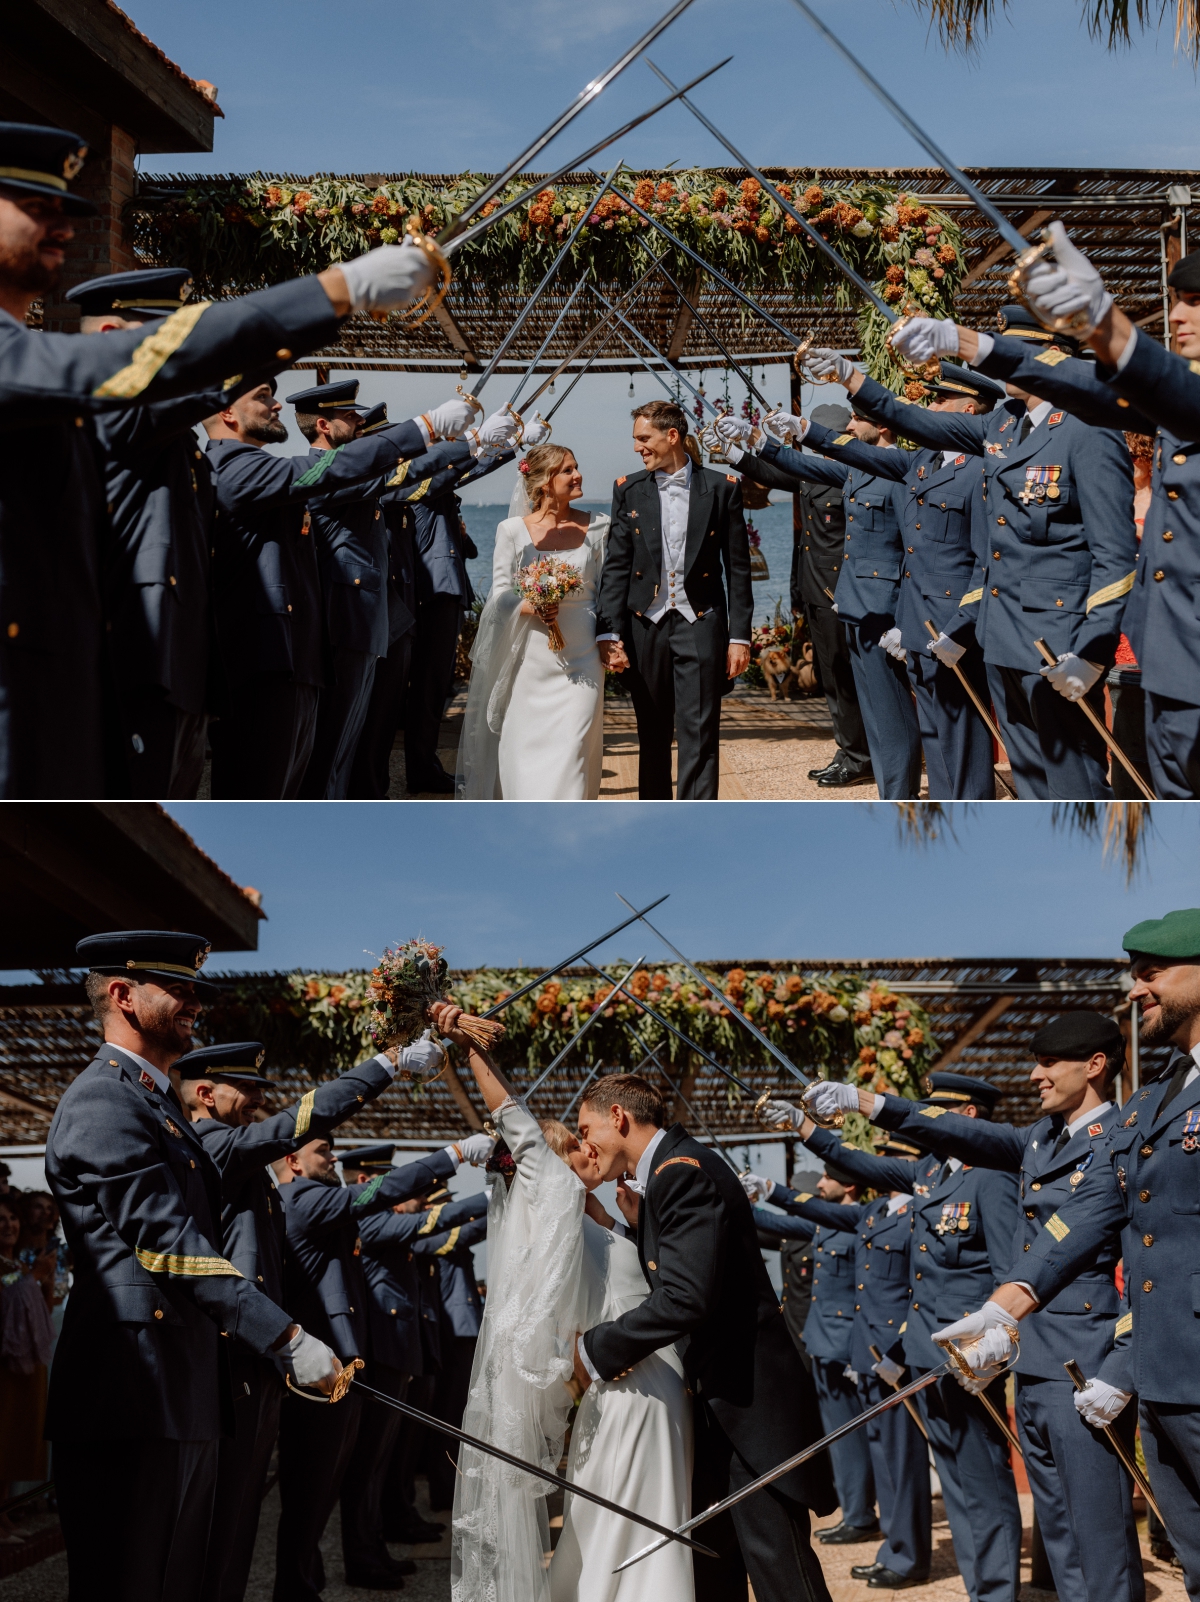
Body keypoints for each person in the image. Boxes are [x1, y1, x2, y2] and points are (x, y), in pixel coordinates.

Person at [0, 120, 437, 799]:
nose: (59, 227)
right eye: (37, 207)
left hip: (103, 679)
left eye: (64, 211)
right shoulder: (56, 374)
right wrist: (332, 291)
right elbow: (136, 376)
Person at [44, 931, 343, 1602]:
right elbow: (168, 1244)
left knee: (175, 1581)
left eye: (195, 994)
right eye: (178, 990)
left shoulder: (151, 1103)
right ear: (121, 994)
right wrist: (285, 1337)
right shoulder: (103, 1101)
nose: (194, 1006)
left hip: (177, 1394)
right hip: (130, 1398)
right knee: (129, 1584)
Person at [806, 1016, 1143, 1602]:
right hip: (1035, 1361)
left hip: (1088, 1359)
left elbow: (1144, 1264)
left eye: (1049, 1063)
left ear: (1094, 1066)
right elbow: (958, 1134)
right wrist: (867, 1101)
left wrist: (1123, 1362)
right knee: (1060, 1533)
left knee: (1101, 1539)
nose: (1035, 1075)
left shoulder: (1124, 1137)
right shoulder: (1041, 1140)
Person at [942, 908, 1200, 1599]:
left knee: (1104, 1537)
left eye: (1153, 975)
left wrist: (1113, 1362)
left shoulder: (1137, 1111)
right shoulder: (1162, 1098)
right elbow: (1093, 1222)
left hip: (1136, 1363)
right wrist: (1002, 1310)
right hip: (1161, 1373)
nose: (1136, 991)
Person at [429, 1008, 696, 1602]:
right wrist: (467, 1042)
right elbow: (513, 1120)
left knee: (613, 1529)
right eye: (575, 1144)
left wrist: (629, 1224)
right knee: (626, 1532)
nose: (588, 1148)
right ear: (550, 1168)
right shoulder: (558, 1214)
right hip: (634, 1391)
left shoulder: (595, 1227)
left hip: (637, 1390)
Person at [176, 1037, 443, 1602]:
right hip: (246, 1354)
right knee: (226, 1525)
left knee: (244, 1518)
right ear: (204, 1094)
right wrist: (389, 1064)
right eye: (245, 1091)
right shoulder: (213, 1143)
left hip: (268, 1357)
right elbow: (308, 1120)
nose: (255, 1102)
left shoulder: (248, 1167)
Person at [570, 1070, 836, 1602]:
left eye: (585, 1129)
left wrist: (593, 1351)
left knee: (777, 1564)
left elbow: (685, 1299)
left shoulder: (680, 1172)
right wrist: (626, 1229)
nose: (583, 1145)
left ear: (617, 1118)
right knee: (715, 1561)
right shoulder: (666, 1175)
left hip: (748, 1406)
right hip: (718, 1405)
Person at [764, 1074, 1023, 1602]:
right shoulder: (930, 1170)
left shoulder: (990, 1176)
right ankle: (983, 1590)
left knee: (984, 1484)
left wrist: (998, 1341)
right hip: (928, 1354)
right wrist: (801, 1125)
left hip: (970, 1357)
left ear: (966, 1118)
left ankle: (996, 1593)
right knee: (954, 1479)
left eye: (938, 1113)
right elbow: (862, 1165)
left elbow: (1009, 1269)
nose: (926, 1122)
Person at [726, 365, 1005, 799]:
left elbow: (981, 560)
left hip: (948, 626)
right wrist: (778, 437)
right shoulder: (922, 462)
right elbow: (835, 461)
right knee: (933, 735)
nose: (928, 408)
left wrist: (958, 623)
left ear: (969, 410)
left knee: (960, 741)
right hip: (910, 622)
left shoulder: (982, 469)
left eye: (938, 401)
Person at [203, 380, 477, 798]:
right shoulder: (235, 468)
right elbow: (334, 470)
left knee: (319, 769)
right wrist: (428, 427)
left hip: (301, 650)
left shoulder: (263, 469)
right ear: (226, 413)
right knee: (276, 783)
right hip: (271, 656)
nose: (275, 404)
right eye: (262, 396)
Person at [272, 1126, 492, 1599]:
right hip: (343, 1358)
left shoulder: (333, 1207)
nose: (331, 1160)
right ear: (291, 1161)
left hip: (357, 1355)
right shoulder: (319, 1204)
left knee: (359, 1470)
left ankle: (351, 1558)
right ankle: (337, 1567)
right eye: (322, 1151)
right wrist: (457, 1158)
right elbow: (425, 1223)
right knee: (331, 1483)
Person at [745, 1137, 932, 1590]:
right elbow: (795, 1218)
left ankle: (905, 1552)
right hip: (860, 1351)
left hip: (890, 1357)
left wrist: (896, 1351)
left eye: (889, 1158)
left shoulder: (915, 1215)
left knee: (898, 1459)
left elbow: (916, 1291)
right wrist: (760, 1190)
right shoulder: (873, 1214)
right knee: (882, 1454)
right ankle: (894, 1547)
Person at [67, 266, 225, 798]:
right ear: (114, 338)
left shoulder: (175, 438)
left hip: (179, 668)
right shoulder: (112, 408)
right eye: (169, 336)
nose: (184, 352)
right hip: (135, 666)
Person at [728, 404, 923, 799]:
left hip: (869, 601)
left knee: (882, 700)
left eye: (855, 421)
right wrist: (745, 445)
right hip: (839, 597)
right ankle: (868, 766)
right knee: (846, 684)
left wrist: (909, 615)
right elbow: (787, 468)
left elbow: (910, 550)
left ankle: (882, 774)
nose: (850, 427)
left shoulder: (897, 469)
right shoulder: (850, 469)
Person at [595, 400, 753, 801]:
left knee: (700, 733)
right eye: (636, 440)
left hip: (700, 621)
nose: (637, 448)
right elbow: (616, 567)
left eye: (643, 438)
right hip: (644, 625)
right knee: (651, 732)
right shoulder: (627, 490)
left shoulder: (722, 489)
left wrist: (740, 637)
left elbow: (738, 569)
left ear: (672, 436)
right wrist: (608, 633)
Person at [348, 1150, 488, 1574]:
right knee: (371, 1462)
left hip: (404, 1345)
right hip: (385, 1350)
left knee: (388, 1454)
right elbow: (443, 1230)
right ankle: (365, 1552)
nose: (422, 1202)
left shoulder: (388, 1223)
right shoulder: (373, 1222)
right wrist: (494, 1194)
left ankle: (381, 1536)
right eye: (412, 1193)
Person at [458, 442, 610, 799]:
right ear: (544, 482)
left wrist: (610, 640)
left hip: (583, 657)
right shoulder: (511, 530)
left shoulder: (601, 525)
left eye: (576, 466)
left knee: (573, 748)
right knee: (526, 751)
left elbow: (609, 591)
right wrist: (532, 604)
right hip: (531, 659)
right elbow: (499, 595)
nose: (578, 475)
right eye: (568, 470)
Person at [744, 1164, 880, 1553]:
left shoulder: (854, 1224)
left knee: (849, 1436)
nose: (820, 1187)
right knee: (839, 1437)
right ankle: (854, 1510)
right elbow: (770, 1227)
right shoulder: (824, 1226)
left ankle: (859, 1514)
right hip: (820, 1343)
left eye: (825, 1181)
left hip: (842, 1347)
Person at [424, 1183, 489, 1512]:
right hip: (453, 1332)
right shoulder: (436, 1237)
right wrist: (501, 1199)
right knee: (448, 1416)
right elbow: (471, 1231)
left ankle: (449, 1487)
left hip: (461, 1330)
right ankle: (444, 1490)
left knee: (456, 1414)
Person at [0, 1192, 55, 1535]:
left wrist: (42, 1280)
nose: (9, 1225)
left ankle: (2, 1513)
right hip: (5, 1368)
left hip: (26, 1369)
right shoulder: (12, 1270)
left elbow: (40, 1309)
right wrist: (34, 1276)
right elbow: (5, 1291)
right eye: (0, 1220)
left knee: (16, 1440)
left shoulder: (18, 1264)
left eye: (12, 1218)